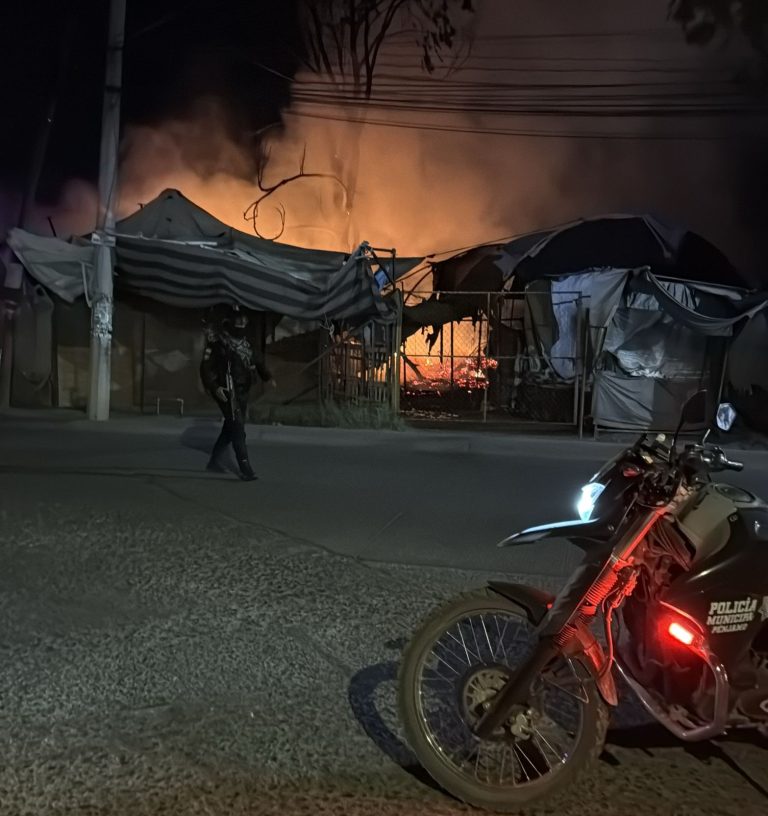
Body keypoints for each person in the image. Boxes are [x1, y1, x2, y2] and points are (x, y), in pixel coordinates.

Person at [200, 306, 275, 480]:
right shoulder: (218, 344)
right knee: (238, 428)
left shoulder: (247, 344)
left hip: (243, 391)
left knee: (230, 427)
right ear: (229, 324)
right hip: (226, 391)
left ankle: (214, 461)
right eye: (238, 323)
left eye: (243, 323)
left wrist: (268, 377)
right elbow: (205, 369)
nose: (241, 326)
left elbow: (258, 360)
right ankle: (244, 466)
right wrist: (214, 387)